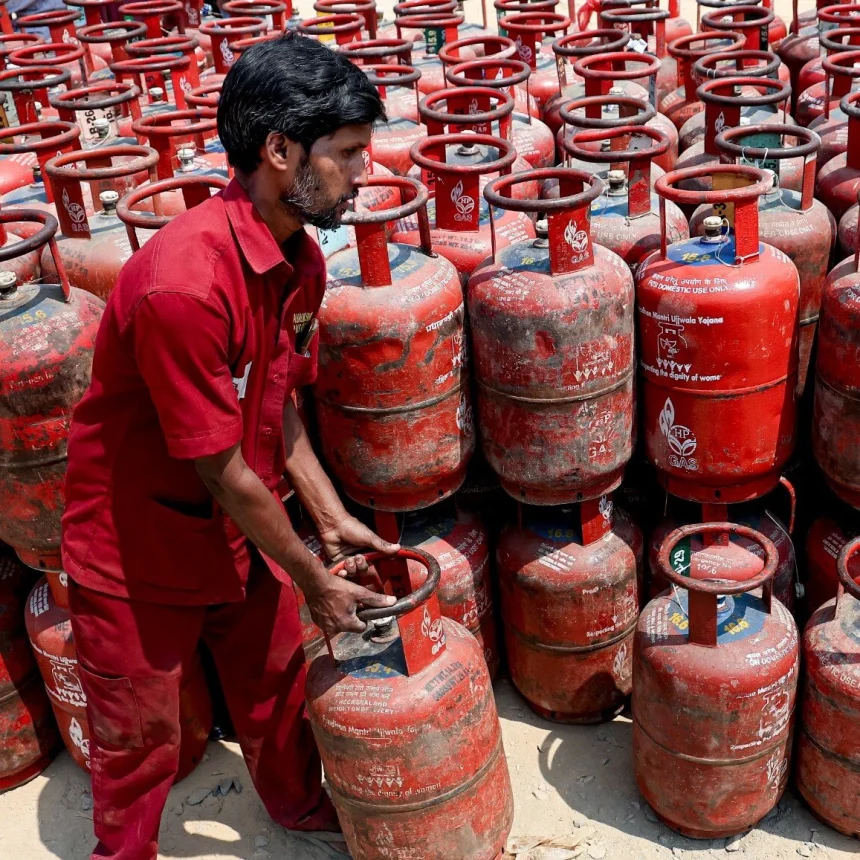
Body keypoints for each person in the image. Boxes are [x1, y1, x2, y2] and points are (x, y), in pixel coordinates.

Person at [61, 33, 395, 860]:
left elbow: (274, 407)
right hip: (136, 545)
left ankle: (296, 806)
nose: (362, 173)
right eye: (348, 154)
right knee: (140, 737)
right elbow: (218, 464)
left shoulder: (298, 259)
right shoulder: (185, 286)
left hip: (238, 524)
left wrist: (328, 513)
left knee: (278, 683)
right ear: (279, 151)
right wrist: (314, 577)